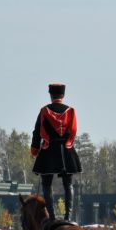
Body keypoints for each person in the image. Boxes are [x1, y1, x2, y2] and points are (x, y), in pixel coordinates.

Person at [31, 83, 82, 221]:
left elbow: (37, 132)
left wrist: (35, 149)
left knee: (46, 184)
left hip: (49, 150)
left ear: (51, 95)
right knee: (68, 184)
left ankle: (52, 217)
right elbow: (73, 130)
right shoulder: (71, 111)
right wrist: (68, 143)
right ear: (63, 95)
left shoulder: (44, 111)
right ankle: (68, 216)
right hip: (66, 150)